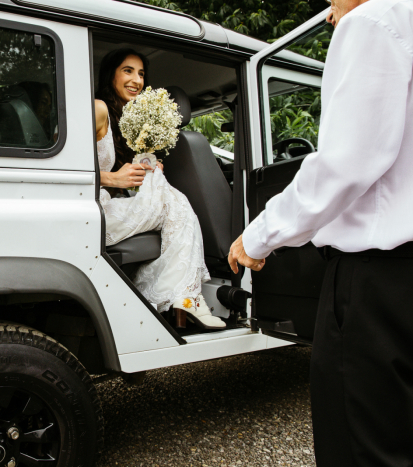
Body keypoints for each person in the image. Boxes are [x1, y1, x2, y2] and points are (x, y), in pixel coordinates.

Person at [228, 0, 413, 465]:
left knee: (360, 444)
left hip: (378, 281)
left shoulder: (371, 21)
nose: (330, 9)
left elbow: (343, 164)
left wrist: (258, 236)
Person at [95, 48, 225, 330]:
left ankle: (183, 299)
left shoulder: (126, 120)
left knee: (171, 198)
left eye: (141, 73)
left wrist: (144, 167)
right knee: (176, 203)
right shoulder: (98, 108)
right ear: (111, 75)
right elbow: (61, 164)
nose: (137, 80)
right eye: (127, 71)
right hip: (93, 213)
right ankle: (186, 299)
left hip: (108, 207)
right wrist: (113, 179)